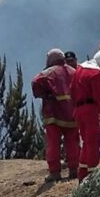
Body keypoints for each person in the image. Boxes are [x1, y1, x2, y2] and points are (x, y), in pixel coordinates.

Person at [31, 49, 80, 182]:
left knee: (53, 142)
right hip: (72, 113)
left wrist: (45, 94)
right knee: (73, 142)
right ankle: (74, 170)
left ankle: (55, 172)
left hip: (53, 113)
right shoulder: (74, 71)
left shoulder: (49, 72)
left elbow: (36, 82)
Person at [70, 50, 100, 182]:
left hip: (78, 109)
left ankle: (82, 174)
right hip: (90, 110)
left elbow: (71, 89)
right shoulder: (96, 73)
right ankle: (92, 175)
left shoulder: (79, 69)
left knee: (85, 142)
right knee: (93, 142)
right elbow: (97, 95)